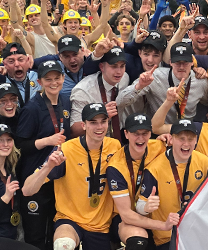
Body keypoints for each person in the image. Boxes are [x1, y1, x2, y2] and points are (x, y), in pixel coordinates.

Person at [21, 103, 122, 250]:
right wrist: (48, 166)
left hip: (100, 224)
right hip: (69, 219)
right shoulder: (67, 149)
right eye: (93, 122)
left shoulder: (115, 146)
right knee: (63, 245)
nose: (99, 127)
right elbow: (27, 190)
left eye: (103, 122)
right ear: (84, 125)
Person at [14, 60, 74, 249]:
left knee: (54, 229)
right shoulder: (32, 109)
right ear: (39, 82)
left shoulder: (65, 101)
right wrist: (47, 141)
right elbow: (19, 146)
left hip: (58, 178)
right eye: (48, 79)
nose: (53, 82)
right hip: (35, 176)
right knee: (36, 234)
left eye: (57, 78)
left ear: (63, 78)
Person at [105, 113, 177, 250]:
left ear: (151, 133)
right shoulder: (116, 166)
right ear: (126, 134)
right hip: (126, 218)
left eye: (145, 133)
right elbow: (126, 215)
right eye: (135, 133)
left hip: (154, 212)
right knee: (138, 238)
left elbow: (184, 154)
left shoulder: (160, 146)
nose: (140, 138)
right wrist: (163, 225)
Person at [137, 118, 208, 250]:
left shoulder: (203, 161)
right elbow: (139, 206)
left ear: (196, 140)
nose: (186, 144)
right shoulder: (155, 169)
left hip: (196, 231)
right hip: (168, 236)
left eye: (190, 139)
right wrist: (147, 207)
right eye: (181, 138)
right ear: (171, 139)